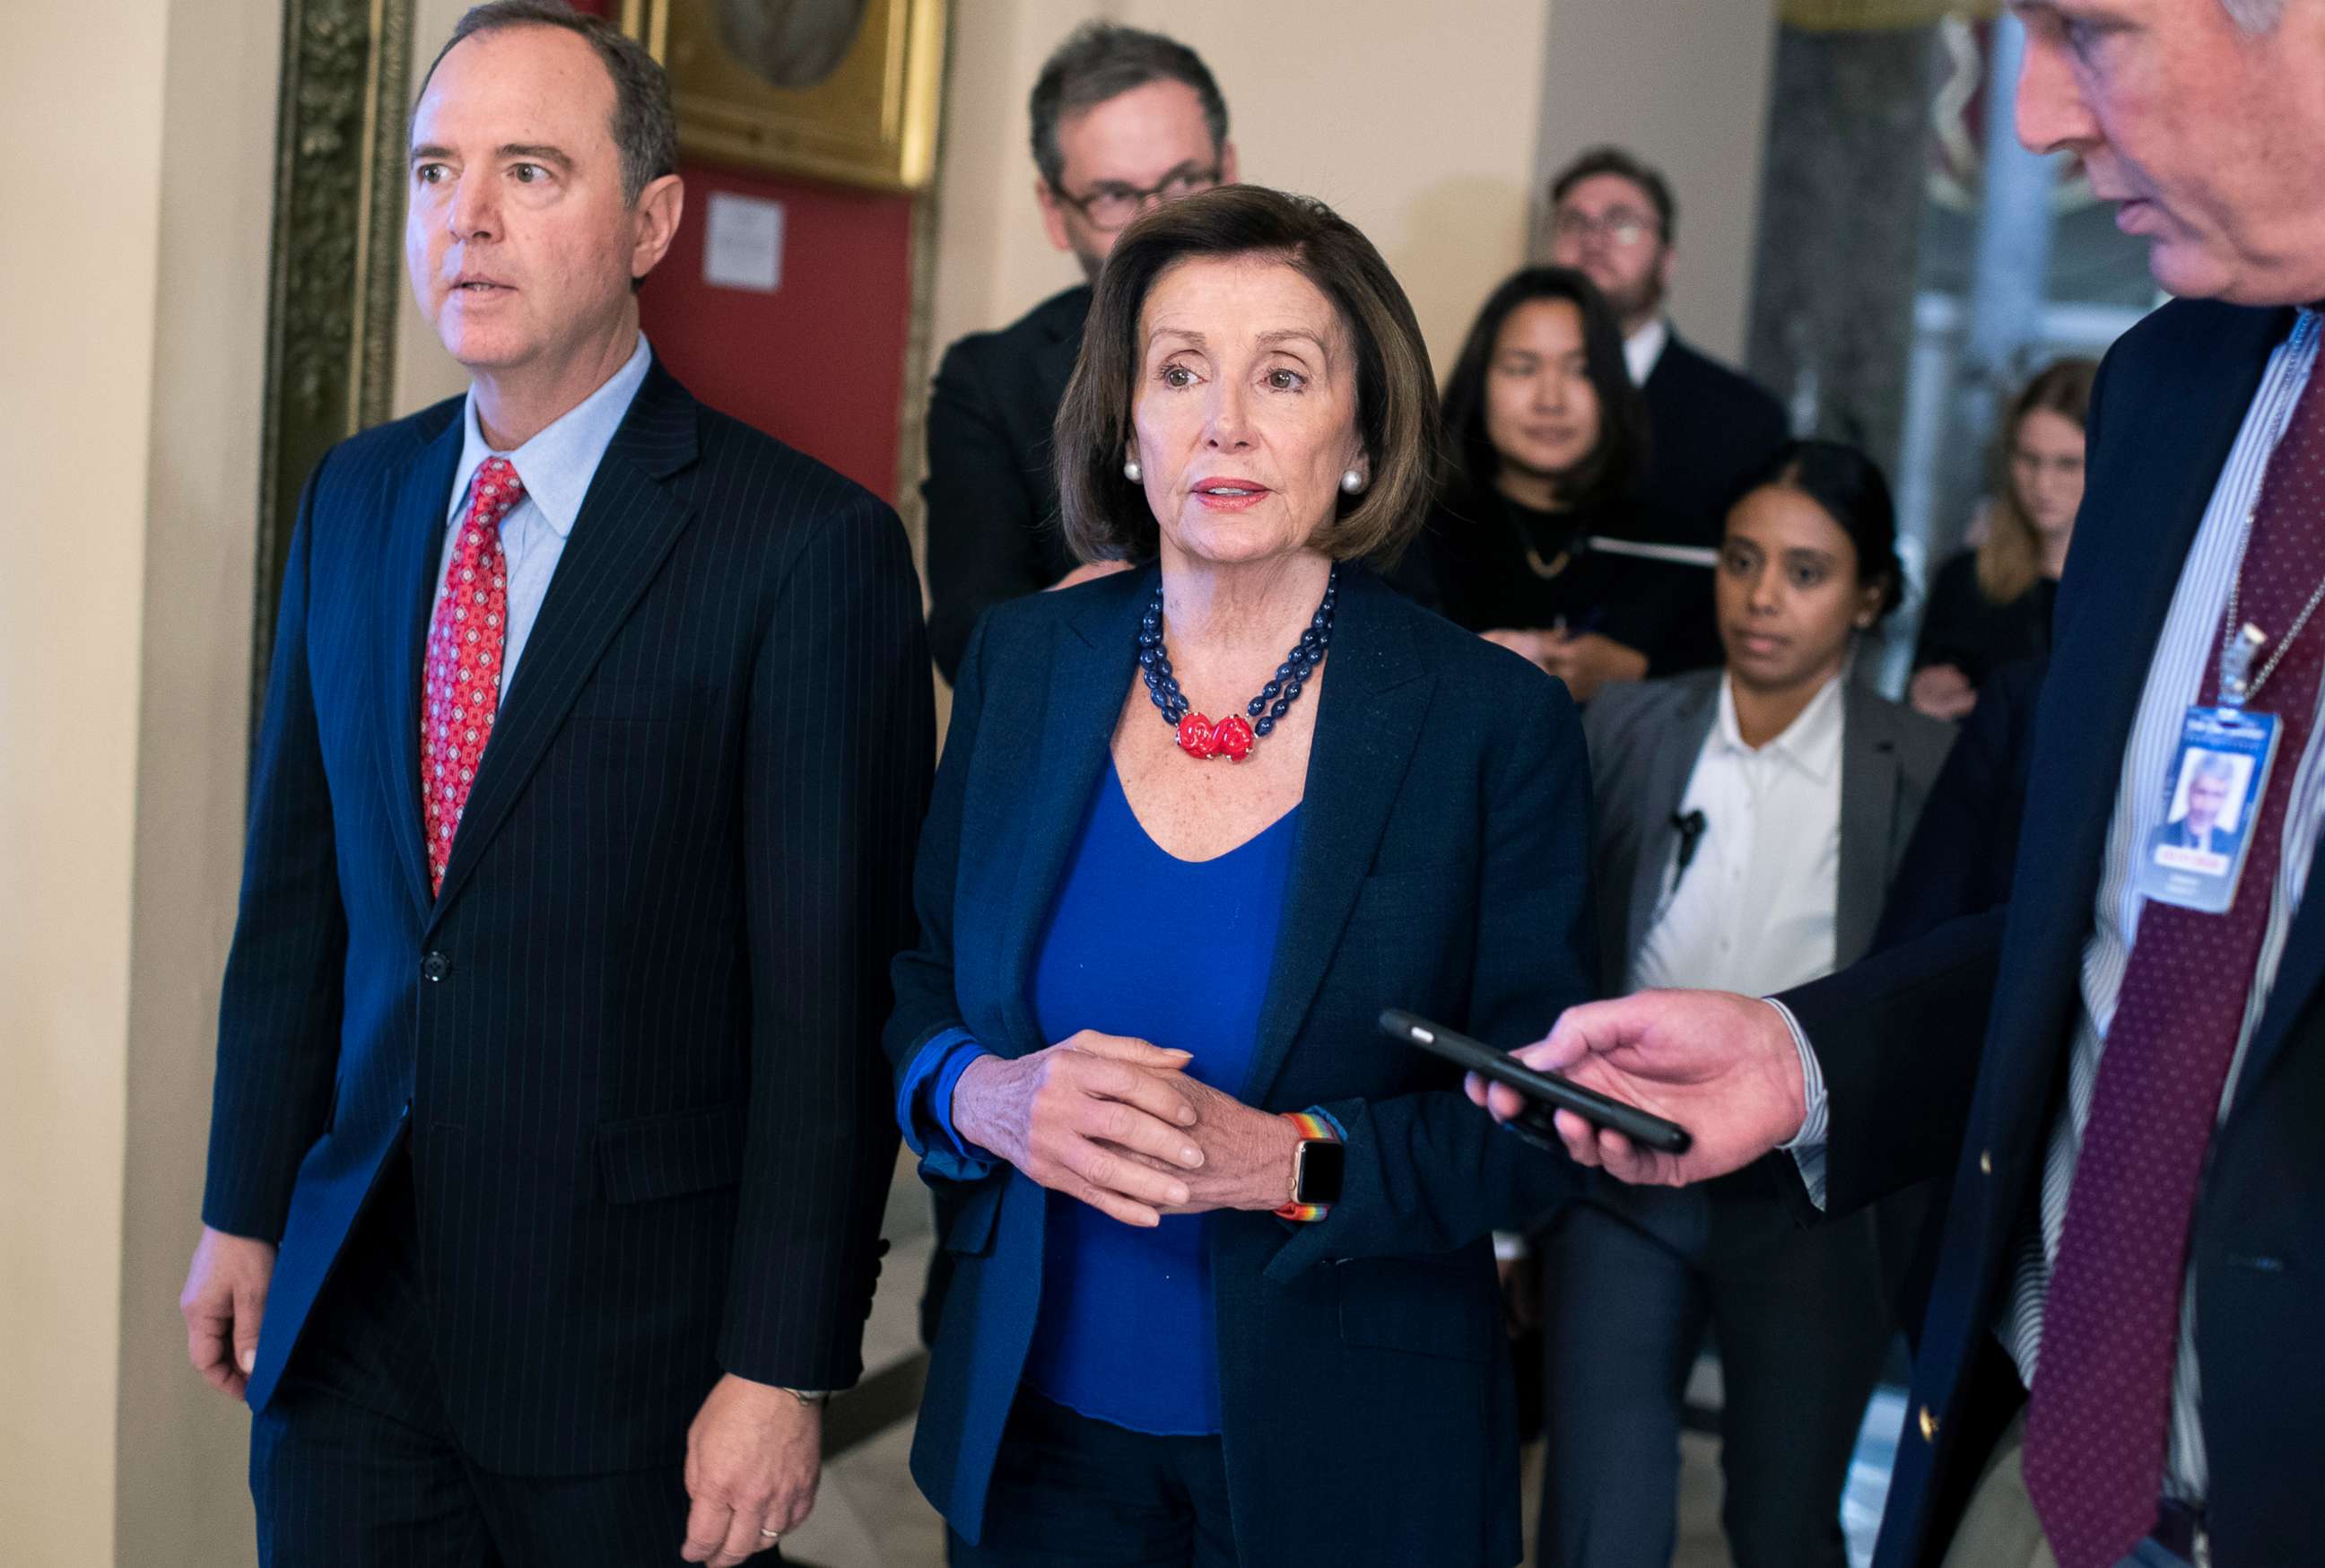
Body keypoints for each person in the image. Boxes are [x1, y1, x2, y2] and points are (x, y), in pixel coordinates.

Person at [1475, 4, 2325, 1564]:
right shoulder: (2166, 391)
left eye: (2091, 31)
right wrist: (1806, 1057)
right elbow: (2111, 945)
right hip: (2030, 1452)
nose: (2033, 121)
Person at [176, 7, 933, 1565]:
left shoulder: (803, 553)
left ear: (650, 218)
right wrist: (243, 1202)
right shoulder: (362, 496)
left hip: (631, 1359)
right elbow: (298, 896)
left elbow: (822, 1011)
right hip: (353, 1327)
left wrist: (782, 1355)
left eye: (530, 170)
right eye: (435, 171)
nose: (468, 218)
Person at [886, 186, 1597, 1567]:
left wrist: (1289, 1163)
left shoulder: (1485, 724)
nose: (1226, 423)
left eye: (1283, 374)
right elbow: (919, 985)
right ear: (1127, 427)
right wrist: (989, 1097)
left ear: (1360, 434)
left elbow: (1531, 1133)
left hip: (1348, 1451)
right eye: (1180, 371)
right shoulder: (1024, 669)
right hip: (1037, 1446)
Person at [1537, 441, 1953, 1568]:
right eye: (1741, 560)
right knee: (1598, 1512)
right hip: (1618, 1170)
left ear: (1870, 594)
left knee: (1782, 1519)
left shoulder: (1924, 763)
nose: (1763, 598)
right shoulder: (1626, 727)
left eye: (1807, 571)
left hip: (1811, 1196)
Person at [921, 23, 1236, 681]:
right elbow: (965, 634)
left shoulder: (1333, 346)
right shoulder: (989, 380)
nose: (1158, 222)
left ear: (1228, 171)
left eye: (1183, 181)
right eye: (1116, 196)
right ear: (1055, 211)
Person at [1399, 266, 1712, 701]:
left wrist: (1636, 673)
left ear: (1612, 387)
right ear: (1481, 382)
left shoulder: (1672, 546)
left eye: (1580, 371)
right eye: (1523, 368)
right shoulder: (1412, 534)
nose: (1551, 400)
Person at [1546, 145, 1789, 553]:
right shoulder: (1494, 395)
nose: (1594, 239)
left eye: (1621, 223)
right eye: (1574, 222)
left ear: (1666, 259)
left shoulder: (1744, 417)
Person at [1911, 360, 2097, 721]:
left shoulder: (2142, 595)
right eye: (2029, 460)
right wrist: (1926, 702)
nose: (2043, 485)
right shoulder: (1964, 581)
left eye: (2068, 464)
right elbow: (1916, 732)